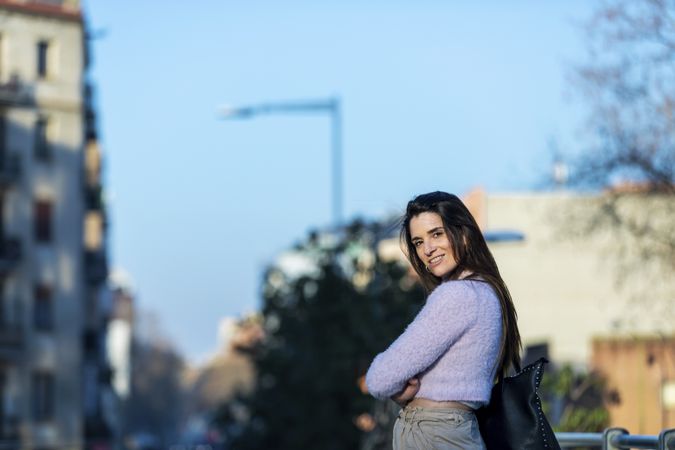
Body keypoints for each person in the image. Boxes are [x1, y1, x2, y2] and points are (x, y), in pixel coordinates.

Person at [365, 191, 521, 450]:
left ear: (463, 233)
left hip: (434, 433)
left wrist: (400, 390)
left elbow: (379, 378)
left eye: (436, 234)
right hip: (452, 431)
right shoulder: (485, 291)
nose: (427, 249)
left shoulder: (457, 295)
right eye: (417, 242)